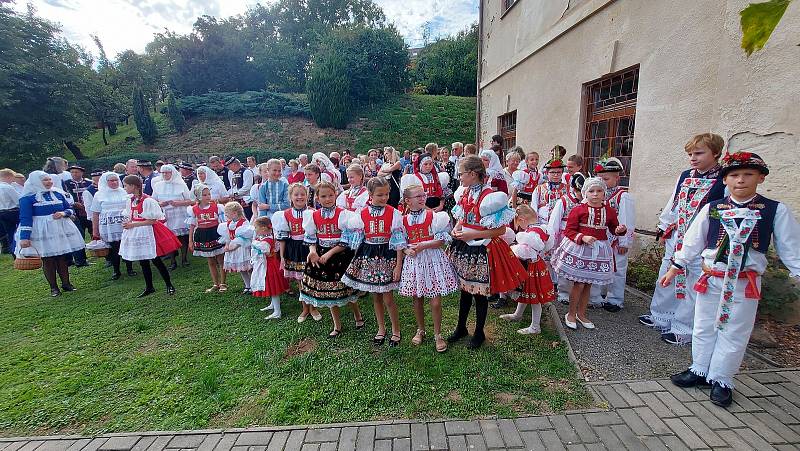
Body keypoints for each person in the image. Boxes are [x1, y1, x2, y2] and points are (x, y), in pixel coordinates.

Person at [661, 151, 800, 408]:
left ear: (760, 177)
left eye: (748, 174)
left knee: (735, 330)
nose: (740, 180)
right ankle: (700, 368)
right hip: (711, 278)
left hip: (744, 283)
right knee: (703, 324)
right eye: (734, 175)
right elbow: (693, 241)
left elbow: (791, 247)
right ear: (725, 180)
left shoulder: (774, 210)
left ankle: (722, 378)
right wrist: (675, 267)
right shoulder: (712, 208)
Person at [643, 134, 727, 346]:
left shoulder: (724, 179)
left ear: (716, 153)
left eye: (699, 153)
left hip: (703, 240)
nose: (693, 158)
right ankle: (661, 315)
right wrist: (664, 227)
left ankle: (684, 327)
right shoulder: (685, 175)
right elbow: (674, 203)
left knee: (693, 281)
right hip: (677, 235)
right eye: (690, 154)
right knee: (666, 274)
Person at [447, 155, 526, 349]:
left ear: (473, 174)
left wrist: (472, 233)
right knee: (465, 291)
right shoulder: (464, 193)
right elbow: (461, 217)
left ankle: (479, 331)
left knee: (479, 293)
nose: (460, 177)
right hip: (464, 247)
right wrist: (456, 229)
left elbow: (500, 230)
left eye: (462, 174)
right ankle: (461, 327)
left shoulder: (491, 198)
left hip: (481, 249)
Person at [551, 177, 626, 330]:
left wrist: (620, 230)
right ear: (585, 193)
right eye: (591, 191)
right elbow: (569, 230)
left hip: (599, 251)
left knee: (588, 284)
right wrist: (582, 237)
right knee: (579, 283)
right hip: (581, 250)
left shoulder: (609, 211)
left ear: (604, 193)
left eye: (599, 191)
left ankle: (581, 313)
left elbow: (613, 227)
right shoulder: (578, 209)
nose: (595, 194)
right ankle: (571, 313)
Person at [341, 176, 405, 347]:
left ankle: (396, 330)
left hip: (387, 256)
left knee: (388, 298)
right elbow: (357, 240)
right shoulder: (361, 214)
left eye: (386, 194)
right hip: (369, 257)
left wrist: (398, 265)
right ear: (370, 194)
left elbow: (399, 243)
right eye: (379, 195)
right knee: (376, 297)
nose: (384, 198)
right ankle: (381, 329)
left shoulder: (394, 213)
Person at [399, 183, 458, 353]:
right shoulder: (403, 220)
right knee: (417, 297)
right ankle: (421, 329)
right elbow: (400, 242)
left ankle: (438, 334)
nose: (423, 198)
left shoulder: (434, 216)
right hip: (415, 260)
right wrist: (406, 249)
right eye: (418, 196)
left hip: (433, 259)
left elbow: (442, 240)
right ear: (407, 201)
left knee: (436, 300)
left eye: (423, 195)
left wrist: (424, 245)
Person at [301, 181, 364, 337]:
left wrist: (329, 254)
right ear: (317, 198)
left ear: (336, 194)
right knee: (329, 291)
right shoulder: (313, 215)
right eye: (323, 196)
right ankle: (337, 325)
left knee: (346, 289)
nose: (328, 199)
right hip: (320, 254)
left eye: (330, 195)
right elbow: (310, 237)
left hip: (339, 255)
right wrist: (313, 251)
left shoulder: (343, 214)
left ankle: (357, 315)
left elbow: (345, 241)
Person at [16, 171, 85, 296]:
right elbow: (25, 218)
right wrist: (24, 237)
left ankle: (66, 283)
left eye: (49, 179)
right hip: (41, 230)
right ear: (36, 182)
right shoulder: (27, 198)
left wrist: (64, 214)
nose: (49, 182)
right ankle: (53, 287)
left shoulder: (57, 193)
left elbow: (69, 208)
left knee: (61, 256)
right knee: (48, 259)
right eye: (45, 180)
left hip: (59, 228)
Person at [118, 175, 179, 297]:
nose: (124, 188)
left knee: (156, 260)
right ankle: (149, 287)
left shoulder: (147, 200)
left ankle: (169, 284)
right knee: (143, 261)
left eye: (126, 185)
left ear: (134, 186)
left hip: (147, 231)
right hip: (136, 231)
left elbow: (152, 220)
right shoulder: (130, 200)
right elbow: (130, 215)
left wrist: (132, 224)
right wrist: (127, 223)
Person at [589, 157, 635, 312]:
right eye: (600, 179)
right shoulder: (598, 195)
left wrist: (624, 242)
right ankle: (599, 295)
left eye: (606, 179)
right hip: (600, 239)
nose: (602, 182)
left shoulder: (623, 196)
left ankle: (615, 299)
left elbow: (626, 221)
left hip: (616, 239)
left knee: (618, 268)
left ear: (617, 177)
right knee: (600, 266)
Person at [501, 204, 556, 334]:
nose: (520, 228)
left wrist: (513, 250)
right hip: (534, 265)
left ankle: (535, 327)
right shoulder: (538, 229)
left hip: (532, 266)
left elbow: (526, 250)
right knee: (526, 291)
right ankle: (518, 314)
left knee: (534, 297)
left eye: (519, 224)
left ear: (522, 220)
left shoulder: (532, 233)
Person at [273, 183, 321, 322]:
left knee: (311, 279)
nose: (299, 197)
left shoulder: (312, 212)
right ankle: (305, 308)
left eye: (302, 194)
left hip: (309, 248)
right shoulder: (285, 215)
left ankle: (313, 307)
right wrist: (282, 256)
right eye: (296, 194)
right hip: (294, 248)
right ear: (291, 197)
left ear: (307, 196)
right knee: (300, 280)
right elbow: (282, 238)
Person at [547, 173, 586, 304]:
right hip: (565, 237)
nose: (583, 195)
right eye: (580, 192)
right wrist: (553, 240)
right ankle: (563, 292)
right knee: (565, 264)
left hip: (581, 238)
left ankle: (579, 293)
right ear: (574, 189)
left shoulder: (586, 202)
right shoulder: (564, 201)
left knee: (579, 266)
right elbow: (554, 222)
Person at [91, 172, 135, 280]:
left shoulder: (124, 192)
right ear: (106, 182)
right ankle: (116, 270)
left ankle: (130, 268)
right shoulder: (99, 194)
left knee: (126, 245)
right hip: (109, 227)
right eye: (111, 181)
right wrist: (95, 231)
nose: (114, 182)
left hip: (124, 223)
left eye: (116, 180)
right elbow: (95, 213)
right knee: (114, 249)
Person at [152, 164, 193, 269]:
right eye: (163, 173)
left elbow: (190, 200)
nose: (165, 174)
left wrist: (178, 203)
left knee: (183, 238)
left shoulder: (180, 184)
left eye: (167, 172)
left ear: (173, 173)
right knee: (169, 238)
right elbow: (153, 201)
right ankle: (172, 260)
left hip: (180, 214)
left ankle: (184, 258)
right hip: (167, 215)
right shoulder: (158, 185)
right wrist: (161, 204)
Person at [188, 184, 227, 292]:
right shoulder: (194, 209)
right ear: (199, 196)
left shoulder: (217, 207)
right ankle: (216, 283)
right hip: (203, 235)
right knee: (210, 260)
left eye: (209, 194)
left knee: (220, 259)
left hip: (215, 232)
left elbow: (223, 222)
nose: (208, 197)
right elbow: (191, 226)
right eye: (204, 195)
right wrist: (190, 240)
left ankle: (223, 283)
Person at [250, 216, 289, 319]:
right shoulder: (266, 237)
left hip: (269, 266)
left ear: (263, 228)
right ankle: (273, 305)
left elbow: (265, 250)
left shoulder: (267, 240)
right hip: (268, 264)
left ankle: (277, 311)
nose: (255, 230)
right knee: (271, 286)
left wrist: (254, 243)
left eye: (256, 228)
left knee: (273, 288)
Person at [218, 202, 254, 293]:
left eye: (227, 212)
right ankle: (247, 285)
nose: (225, 214)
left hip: (242, 248)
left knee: (249, 268)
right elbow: (228, 236)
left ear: (234, 213)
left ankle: (254, 285)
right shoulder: (228, 223)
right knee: (241, 269)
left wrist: (233, 247)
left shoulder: (244, 223)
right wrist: (227, 245)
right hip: (233, 248)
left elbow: (243, 239)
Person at [62, 165, 93, 267]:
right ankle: (80, 260)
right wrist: (74, 204)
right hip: (76, 213)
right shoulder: (66, 184)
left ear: (82, 173)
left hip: (89, 211)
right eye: (72, 172)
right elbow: (65, 197)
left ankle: (102, 254)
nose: (74, 174)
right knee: (78, 236)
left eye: (76, 172)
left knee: (94, 232)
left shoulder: (88, 183)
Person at [0, 168, 21, 256]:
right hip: (13, 211)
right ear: (8, 176)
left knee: (9, 233)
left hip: (1, 212)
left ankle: (13, 252)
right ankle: (18, 250)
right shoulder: (8, 187)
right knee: (18, 231)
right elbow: (18, 200)